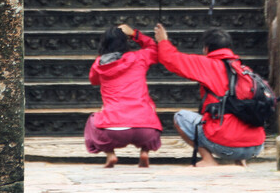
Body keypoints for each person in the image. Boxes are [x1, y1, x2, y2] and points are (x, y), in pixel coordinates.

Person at [154, 23, 265, 167]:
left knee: (180, 117)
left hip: (226, 146)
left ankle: (208, 159)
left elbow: (171, 59)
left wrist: (163, 40)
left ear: (206, 48)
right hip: (256, 147)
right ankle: (240, 160)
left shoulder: (208, 65)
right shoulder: (244, 70)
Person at [85, 23, 162, 168]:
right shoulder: (140, 57)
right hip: (145, 129)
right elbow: (156, 49)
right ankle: (145, 151)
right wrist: (135, 34)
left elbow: (94, 80)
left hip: (113, 129)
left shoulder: (99, 64)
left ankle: (110, 154)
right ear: (125, 42)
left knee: (92, 120)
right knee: (150, 112)